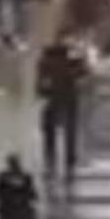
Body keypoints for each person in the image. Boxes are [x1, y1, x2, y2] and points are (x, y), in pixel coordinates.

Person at [36, 31, 86, 173]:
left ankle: (52, 156)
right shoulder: (71, 59)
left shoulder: (48, 59)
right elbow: (82, 73)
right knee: (69, 129)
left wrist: (42, 90)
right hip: (68, 97)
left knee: (51, 129)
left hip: (56, 97)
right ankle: (67, 158)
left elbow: (41, 80)